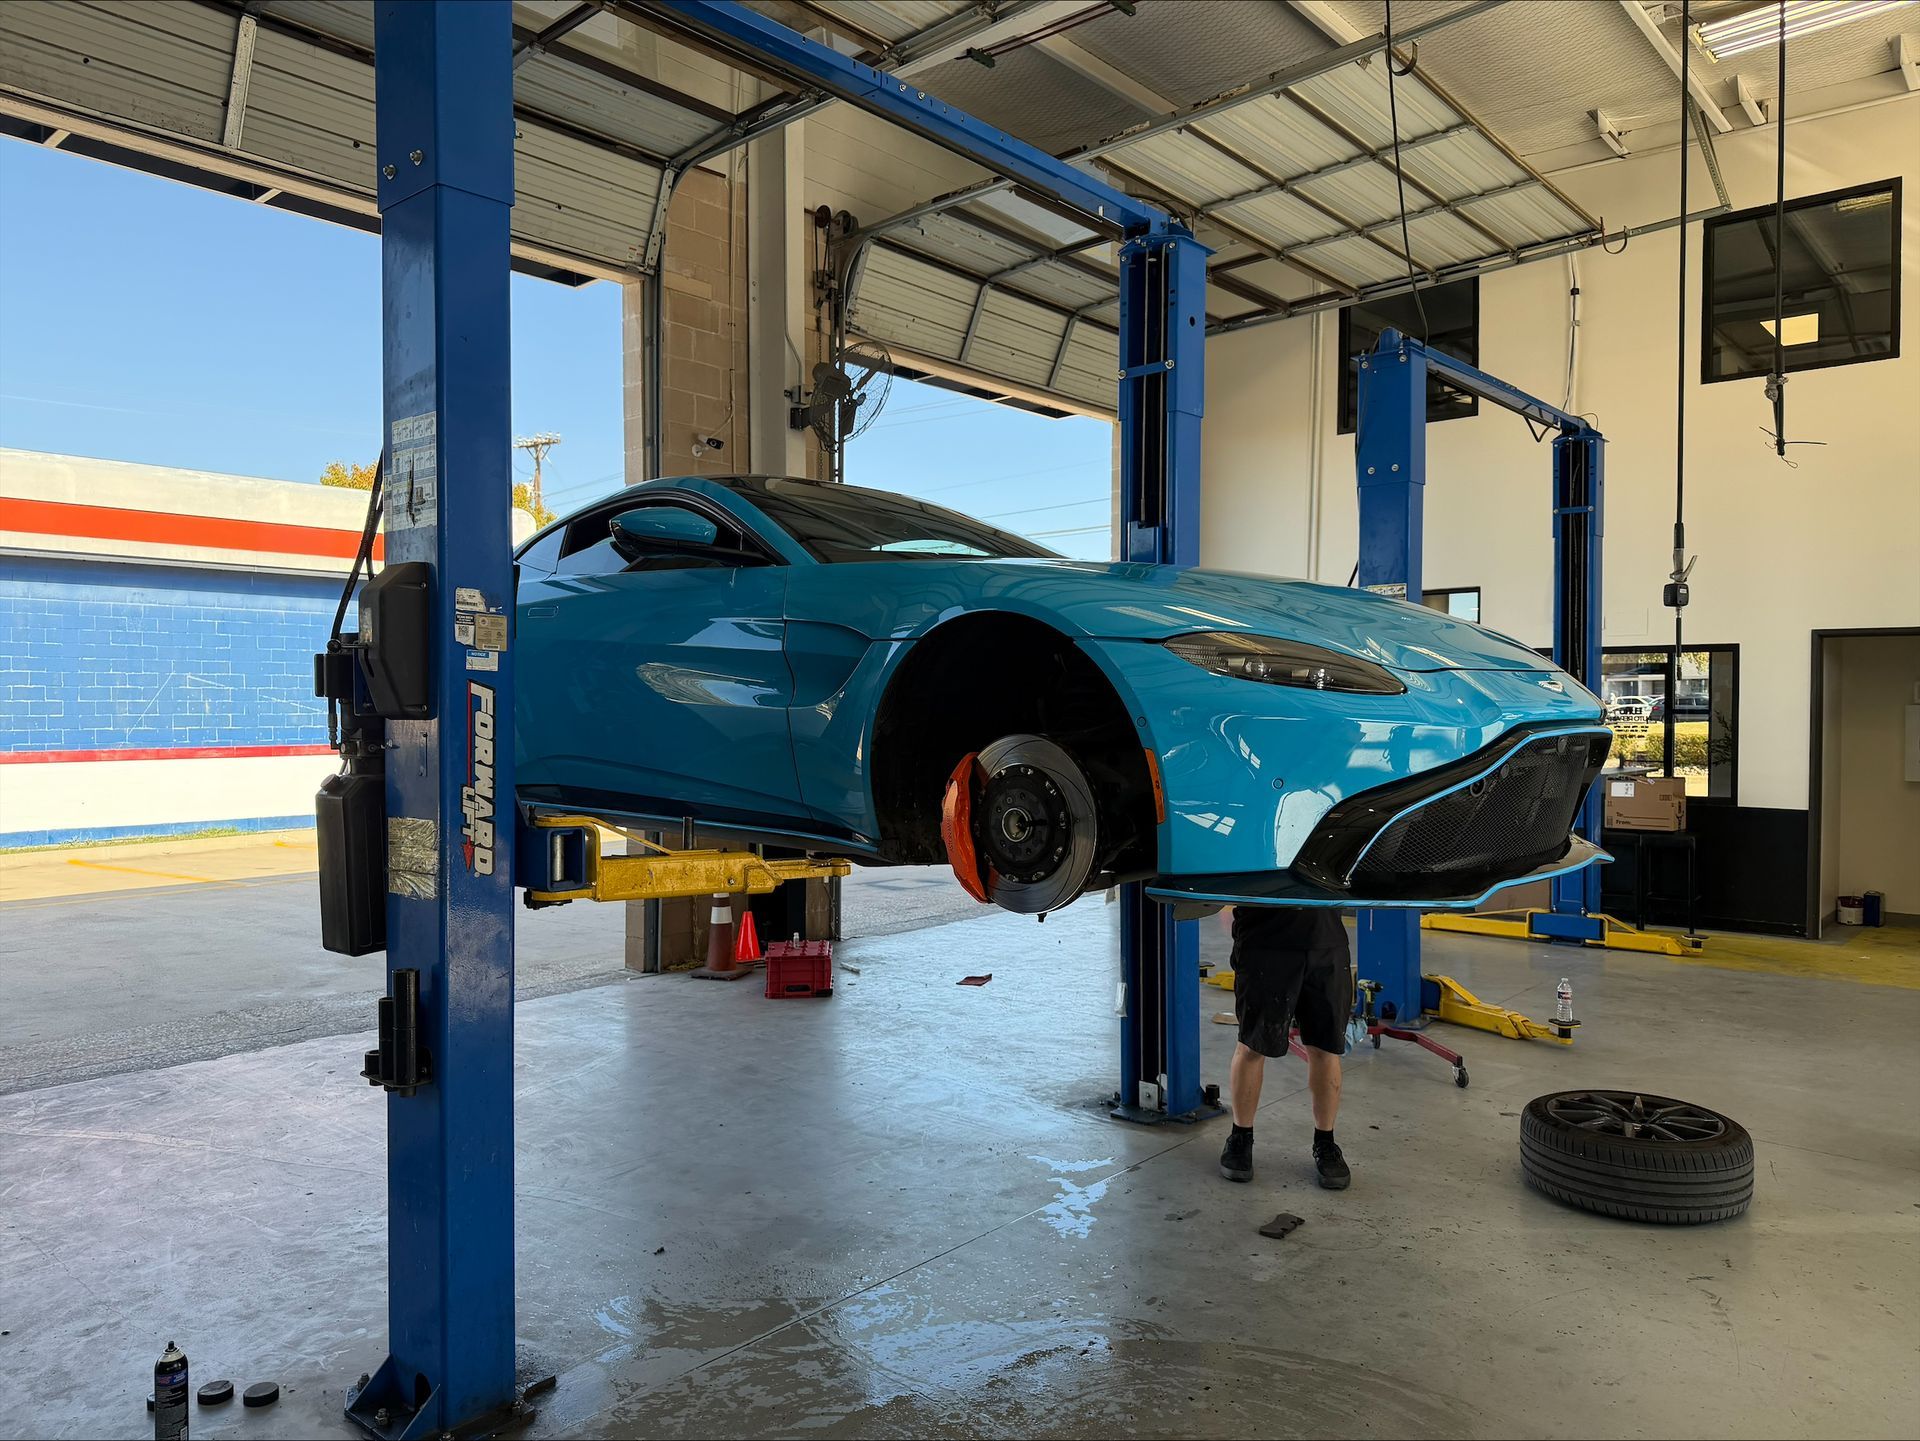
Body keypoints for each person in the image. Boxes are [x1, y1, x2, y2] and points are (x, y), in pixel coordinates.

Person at [1218, 906, 1353, 1189]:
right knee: (1252, 1045)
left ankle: (1325, 1142)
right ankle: (1240, 1137)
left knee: (1325, 1047)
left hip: (1325, 943)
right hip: (1264, 942)